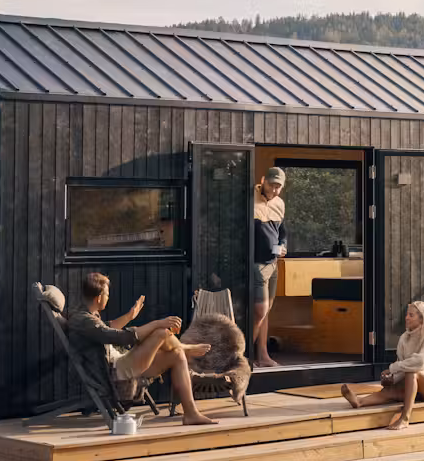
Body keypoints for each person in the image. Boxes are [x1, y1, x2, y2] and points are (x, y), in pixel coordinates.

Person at [64, 270, 218, 426]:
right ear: (99, 298)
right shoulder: (82, 320)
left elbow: (108, 328)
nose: (108, 297)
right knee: (161, 332)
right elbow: (117, 336)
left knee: (177, 355)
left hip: (122, 362)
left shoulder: (87, 316)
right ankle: (187, 347)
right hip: (116, 370)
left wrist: (130, 316)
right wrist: (157, 323)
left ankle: (191, 413)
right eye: (107, 294)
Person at [340, 301, 424, 429]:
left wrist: (392, 368)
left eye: (411, 315)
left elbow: (420, 363)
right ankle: (359, 401)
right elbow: (401, 364)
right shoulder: (404, 338)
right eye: (407, 314)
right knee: (390, 391)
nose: (406, 318)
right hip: (413, 384)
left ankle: (405, 418)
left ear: (422, 318)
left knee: (413, 372)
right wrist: (392, 378)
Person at [251, 166, 288, 368]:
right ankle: (242, 356)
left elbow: (282, 231)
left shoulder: (279, 204)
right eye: (271, 185)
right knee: (260, 310)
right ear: (263, 180)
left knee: (266, 312)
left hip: (273, 263)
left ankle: (262, 355)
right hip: (256, 264)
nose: (274, 190)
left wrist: (283, 246)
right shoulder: (249, 198)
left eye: (278, 187)